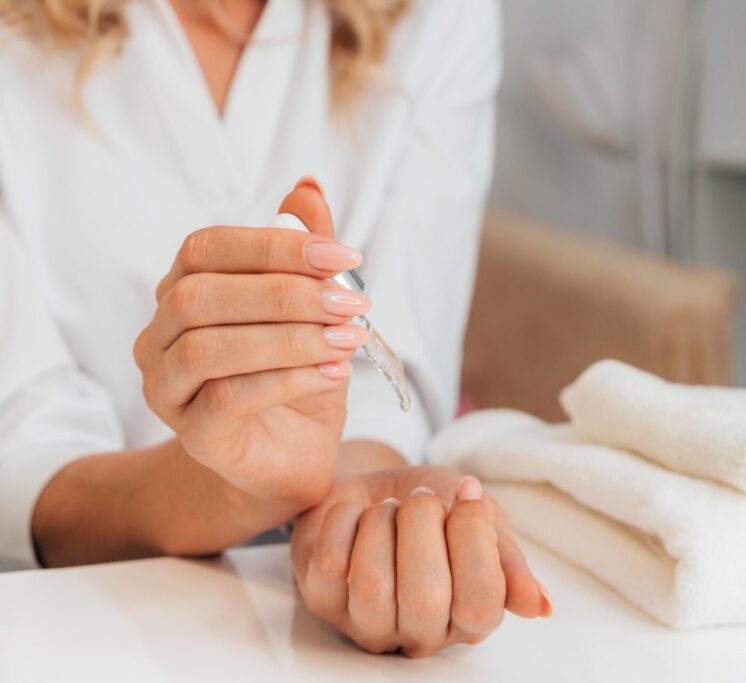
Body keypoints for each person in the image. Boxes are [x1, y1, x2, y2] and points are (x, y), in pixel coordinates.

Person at [0, 0, 551, 657]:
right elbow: (25, 446)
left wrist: (356, 510)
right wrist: (242, 486)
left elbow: (393, 378)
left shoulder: (436, 17)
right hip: (68, 620)